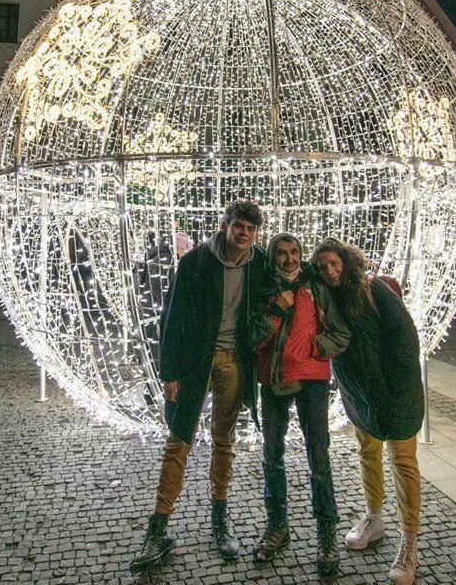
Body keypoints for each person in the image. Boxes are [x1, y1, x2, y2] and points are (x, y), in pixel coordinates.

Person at [130, 200, 267, 572]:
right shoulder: (196, 262)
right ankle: (157, 528)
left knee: (225, 441)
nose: (245, 234)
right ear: (226, 225)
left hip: (234, 361)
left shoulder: (259, 263)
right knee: (179, 442)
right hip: (195, 362)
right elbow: (171, 316)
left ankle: (220, 518)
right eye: (239, 226)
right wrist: (169, 371)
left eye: (251, 229)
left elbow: (289, 278)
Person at [311, 239, 424, 585]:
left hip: (395, 391)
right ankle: (374, 517)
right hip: (359, 394)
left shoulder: (373, 289)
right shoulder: (329, 298)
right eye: (322, 267)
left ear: (345, 261)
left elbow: (406, 340)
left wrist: (394, 385)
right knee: (368, 452)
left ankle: (409, 541)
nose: (330, 271)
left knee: (403, 460)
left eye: (334, 263)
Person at [251, 233, 350, 577]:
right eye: (282, 254)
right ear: (272, 257)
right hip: (275, 380)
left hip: (312, 382)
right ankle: (277, 526)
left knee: (318, 458)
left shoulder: (317, 286)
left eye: (294, 253)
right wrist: (276, 311)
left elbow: (341, 332)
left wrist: (314, 349)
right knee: (273, 457)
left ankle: (327, 534)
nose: (289, 259)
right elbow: (250, 337)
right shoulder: (261, 288)